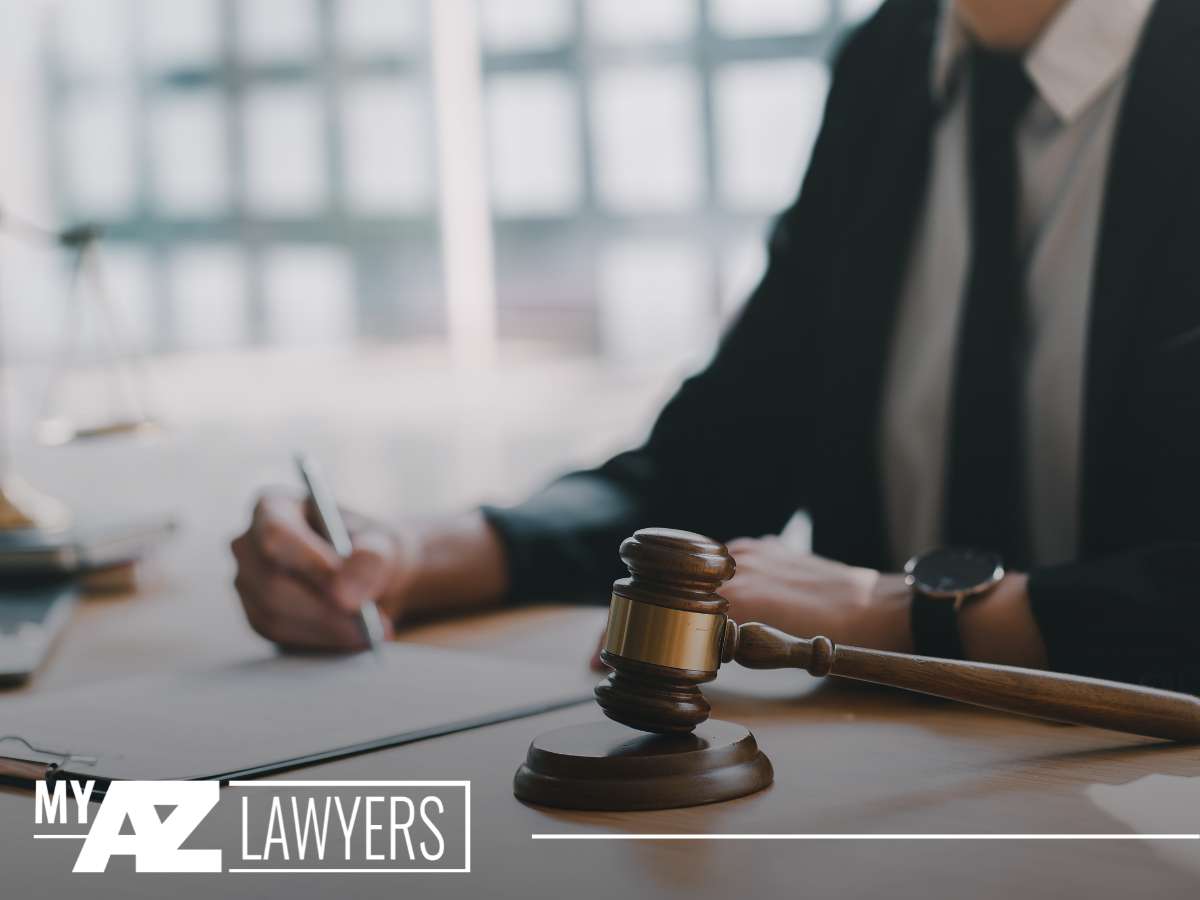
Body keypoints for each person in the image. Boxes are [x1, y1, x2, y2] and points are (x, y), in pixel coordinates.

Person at [231, 0, 1200, 693]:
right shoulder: (889, 64)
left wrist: (896, 615)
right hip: (874, 793)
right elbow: (717, 462)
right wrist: (414, 555)